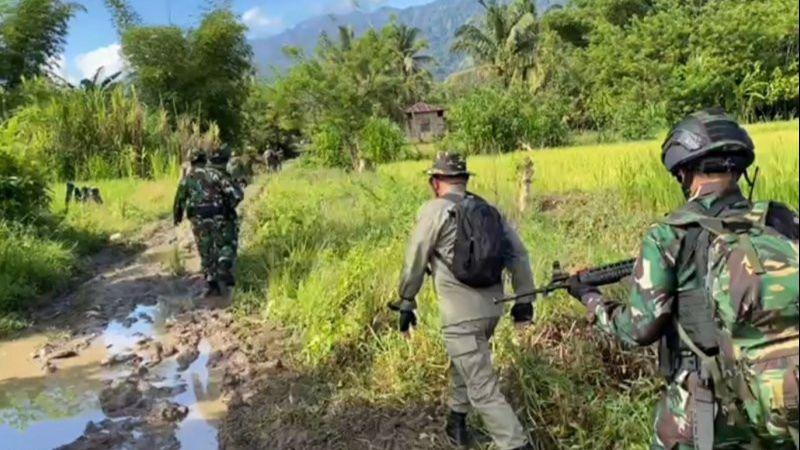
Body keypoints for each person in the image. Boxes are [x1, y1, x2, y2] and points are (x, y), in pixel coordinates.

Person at [566, 109, 799, 449]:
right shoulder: (781, 219)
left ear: (683, 171)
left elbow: (638, 329)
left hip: (706, 401)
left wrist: (591, 299)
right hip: (781, 397)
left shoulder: (668, 234)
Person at [393, 152, 535, 450]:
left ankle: (516, 444)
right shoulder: (488, 210)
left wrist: (407, 300)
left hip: (460, 315)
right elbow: (519, 255)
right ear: (465, 180)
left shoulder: (434, 210)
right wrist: (524, 303)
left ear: (435, 183)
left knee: (483, 389)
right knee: (466, 363)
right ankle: (456, 422)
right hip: (493, 310)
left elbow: (415, 259)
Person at [173, 148, 242, 296]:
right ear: (205, 160)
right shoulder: (215, 174)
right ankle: (223, 265)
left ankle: (211, 282)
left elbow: (179, 200)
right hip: (219, 214)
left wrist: (177, 217)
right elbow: (235, 195)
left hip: (197, 218)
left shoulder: (187, 178)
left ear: (191, 161)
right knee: (225, 243)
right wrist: (230, 207)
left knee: (205, 248)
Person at [208, 144, 244, 288]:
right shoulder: (225, 176)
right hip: (224, 216)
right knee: (229, 242)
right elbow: (237, 196)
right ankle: (224, 267)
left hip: (204, 218)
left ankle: (211, 276)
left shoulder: (202, 176)